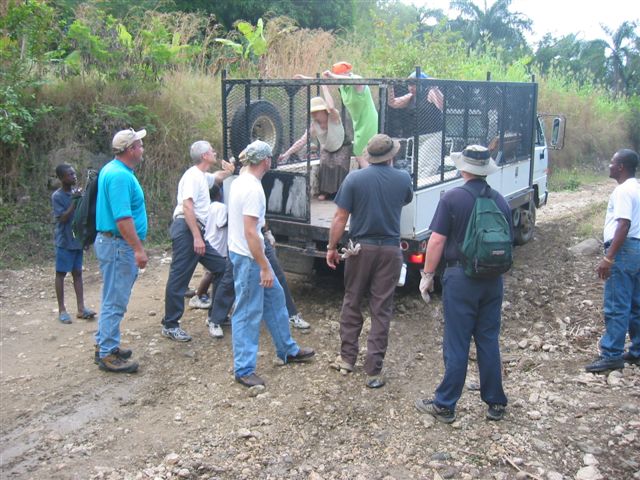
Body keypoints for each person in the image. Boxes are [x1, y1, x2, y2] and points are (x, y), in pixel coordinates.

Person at [414, 145, 510, 423]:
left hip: (461, 279)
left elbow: (437, 241)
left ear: (463, 168)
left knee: (456, 342)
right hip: (492, 280)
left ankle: (445, 405)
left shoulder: (452, 198)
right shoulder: (500, 200)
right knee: (488, 340)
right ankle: (496, 403)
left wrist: (427, 275)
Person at [326, 134, 413, 388]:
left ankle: (347, 359)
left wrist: (332, 247)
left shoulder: (354, 178)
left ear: (369, 155)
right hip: (389, 250)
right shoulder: (403, 178)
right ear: (391, 156)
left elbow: (340, 218)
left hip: (360, 249)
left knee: (352, 301)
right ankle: (373, 370)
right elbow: (405, 199)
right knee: (381, 308)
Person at [227, 140, 315, 388]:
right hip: (249, 258)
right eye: (270, 158)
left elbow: (252, 228)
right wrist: (264, 266)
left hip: (247, 254)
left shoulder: (241, 181)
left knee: (275, 298)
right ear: (265, 161)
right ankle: (244, 369)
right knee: (247, 312)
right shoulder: (252, 189)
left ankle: (287, 349)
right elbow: (250, 232)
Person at [161, 141, 233, 342]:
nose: (215, 152)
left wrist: (228, 171)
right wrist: (196, 236)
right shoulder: (192, 176)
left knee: (222, 268)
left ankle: (217, 316)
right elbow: (187, 207)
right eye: (211, 150)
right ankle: (170, 325)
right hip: (187, 228)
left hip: (194, 230)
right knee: (179, 278)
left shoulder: (202, 176)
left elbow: (217, 178)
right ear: (203, 156)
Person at [94, 128, 149, 373]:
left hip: (114, 244)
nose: (142, 149)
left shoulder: (115, 170)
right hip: (119, 245)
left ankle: (108, 344)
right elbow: (123, 218)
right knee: (115, 300)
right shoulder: (119, 176)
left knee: (112, 297)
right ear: (130, 150)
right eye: (139, 145)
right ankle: (106, 352)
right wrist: (138, 249)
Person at [585, 148, 640, 372]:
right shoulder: (636, 188)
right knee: (636, 304)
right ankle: (637, 351)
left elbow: (623, 224)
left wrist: (608, 257)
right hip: (637, 248)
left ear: (621, 167)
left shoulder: (623, 191)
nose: (609, 165)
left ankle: (611, 354)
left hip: (624, 250)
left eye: (611, 162)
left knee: (617, 304)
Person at [207, 226, 310, 338]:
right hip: (239, 240)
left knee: (277, 273)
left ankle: (291, 314)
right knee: (230, 279)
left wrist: (267, 232)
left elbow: (260, 216)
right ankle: (215, 320)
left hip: (259, 238)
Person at [279, 84, 352, 200]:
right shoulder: (314, 125)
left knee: (340, 163)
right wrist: (286, 154)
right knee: (325, 162)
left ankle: (341, 192)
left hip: (343, 145)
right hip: (328, 146)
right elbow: (302, 142)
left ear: (324, 110)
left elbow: (332, 107)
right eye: (312, 112)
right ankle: (326, 192)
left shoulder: (333, 116)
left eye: (316, 111)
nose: (314, 114)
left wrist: (324, 87)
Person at [51, 164, 96, 324]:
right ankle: (62, 310)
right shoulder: (57, 196)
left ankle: (81, 308)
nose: (74, 177)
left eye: (74, 174)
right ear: (62, 178)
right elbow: (62, 218)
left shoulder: (76, 194)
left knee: (77, 273)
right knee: (61, 274)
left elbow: (82, 217)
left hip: (76, 241)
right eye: (70, 175)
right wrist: (74, 202)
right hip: (64, 241)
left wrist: (85, 238)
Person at [321, 62, 378, 168]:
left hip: (368, 121)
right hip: (358, 124)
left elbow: (357, 79)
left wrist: (333, 76)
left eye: (339, 75)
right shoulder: (343, 87)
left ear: (347, 73)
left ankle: (372, 179)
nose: (336, 79)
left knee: (360, 154)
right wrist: (303, 78)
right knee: (361, 154)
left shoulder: (357, 82)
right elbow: (320, 81)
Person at [387, 71, 444, 173]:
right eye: (409, 84)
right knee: (416, 168)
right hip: (417, 137)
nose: (411, 87)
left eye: (414, 84)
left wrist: (434, 88)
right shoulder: (410, 97)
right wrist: (390, 86)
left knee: (426, 168)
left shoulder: (429, 92)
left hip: (432, 135)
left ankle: (424, 188)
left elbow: (442, 105)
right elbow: (393, 103)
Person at [188, 184, 227, 310]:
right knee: (211, 272)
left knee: (210, 272)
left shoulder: (206, 207)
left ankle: (204, 294)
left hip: (209, 240)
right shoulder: (221, 207)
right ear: (219, 194)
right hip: (217, 244)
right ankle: (199, 295)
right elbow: (221, 223)